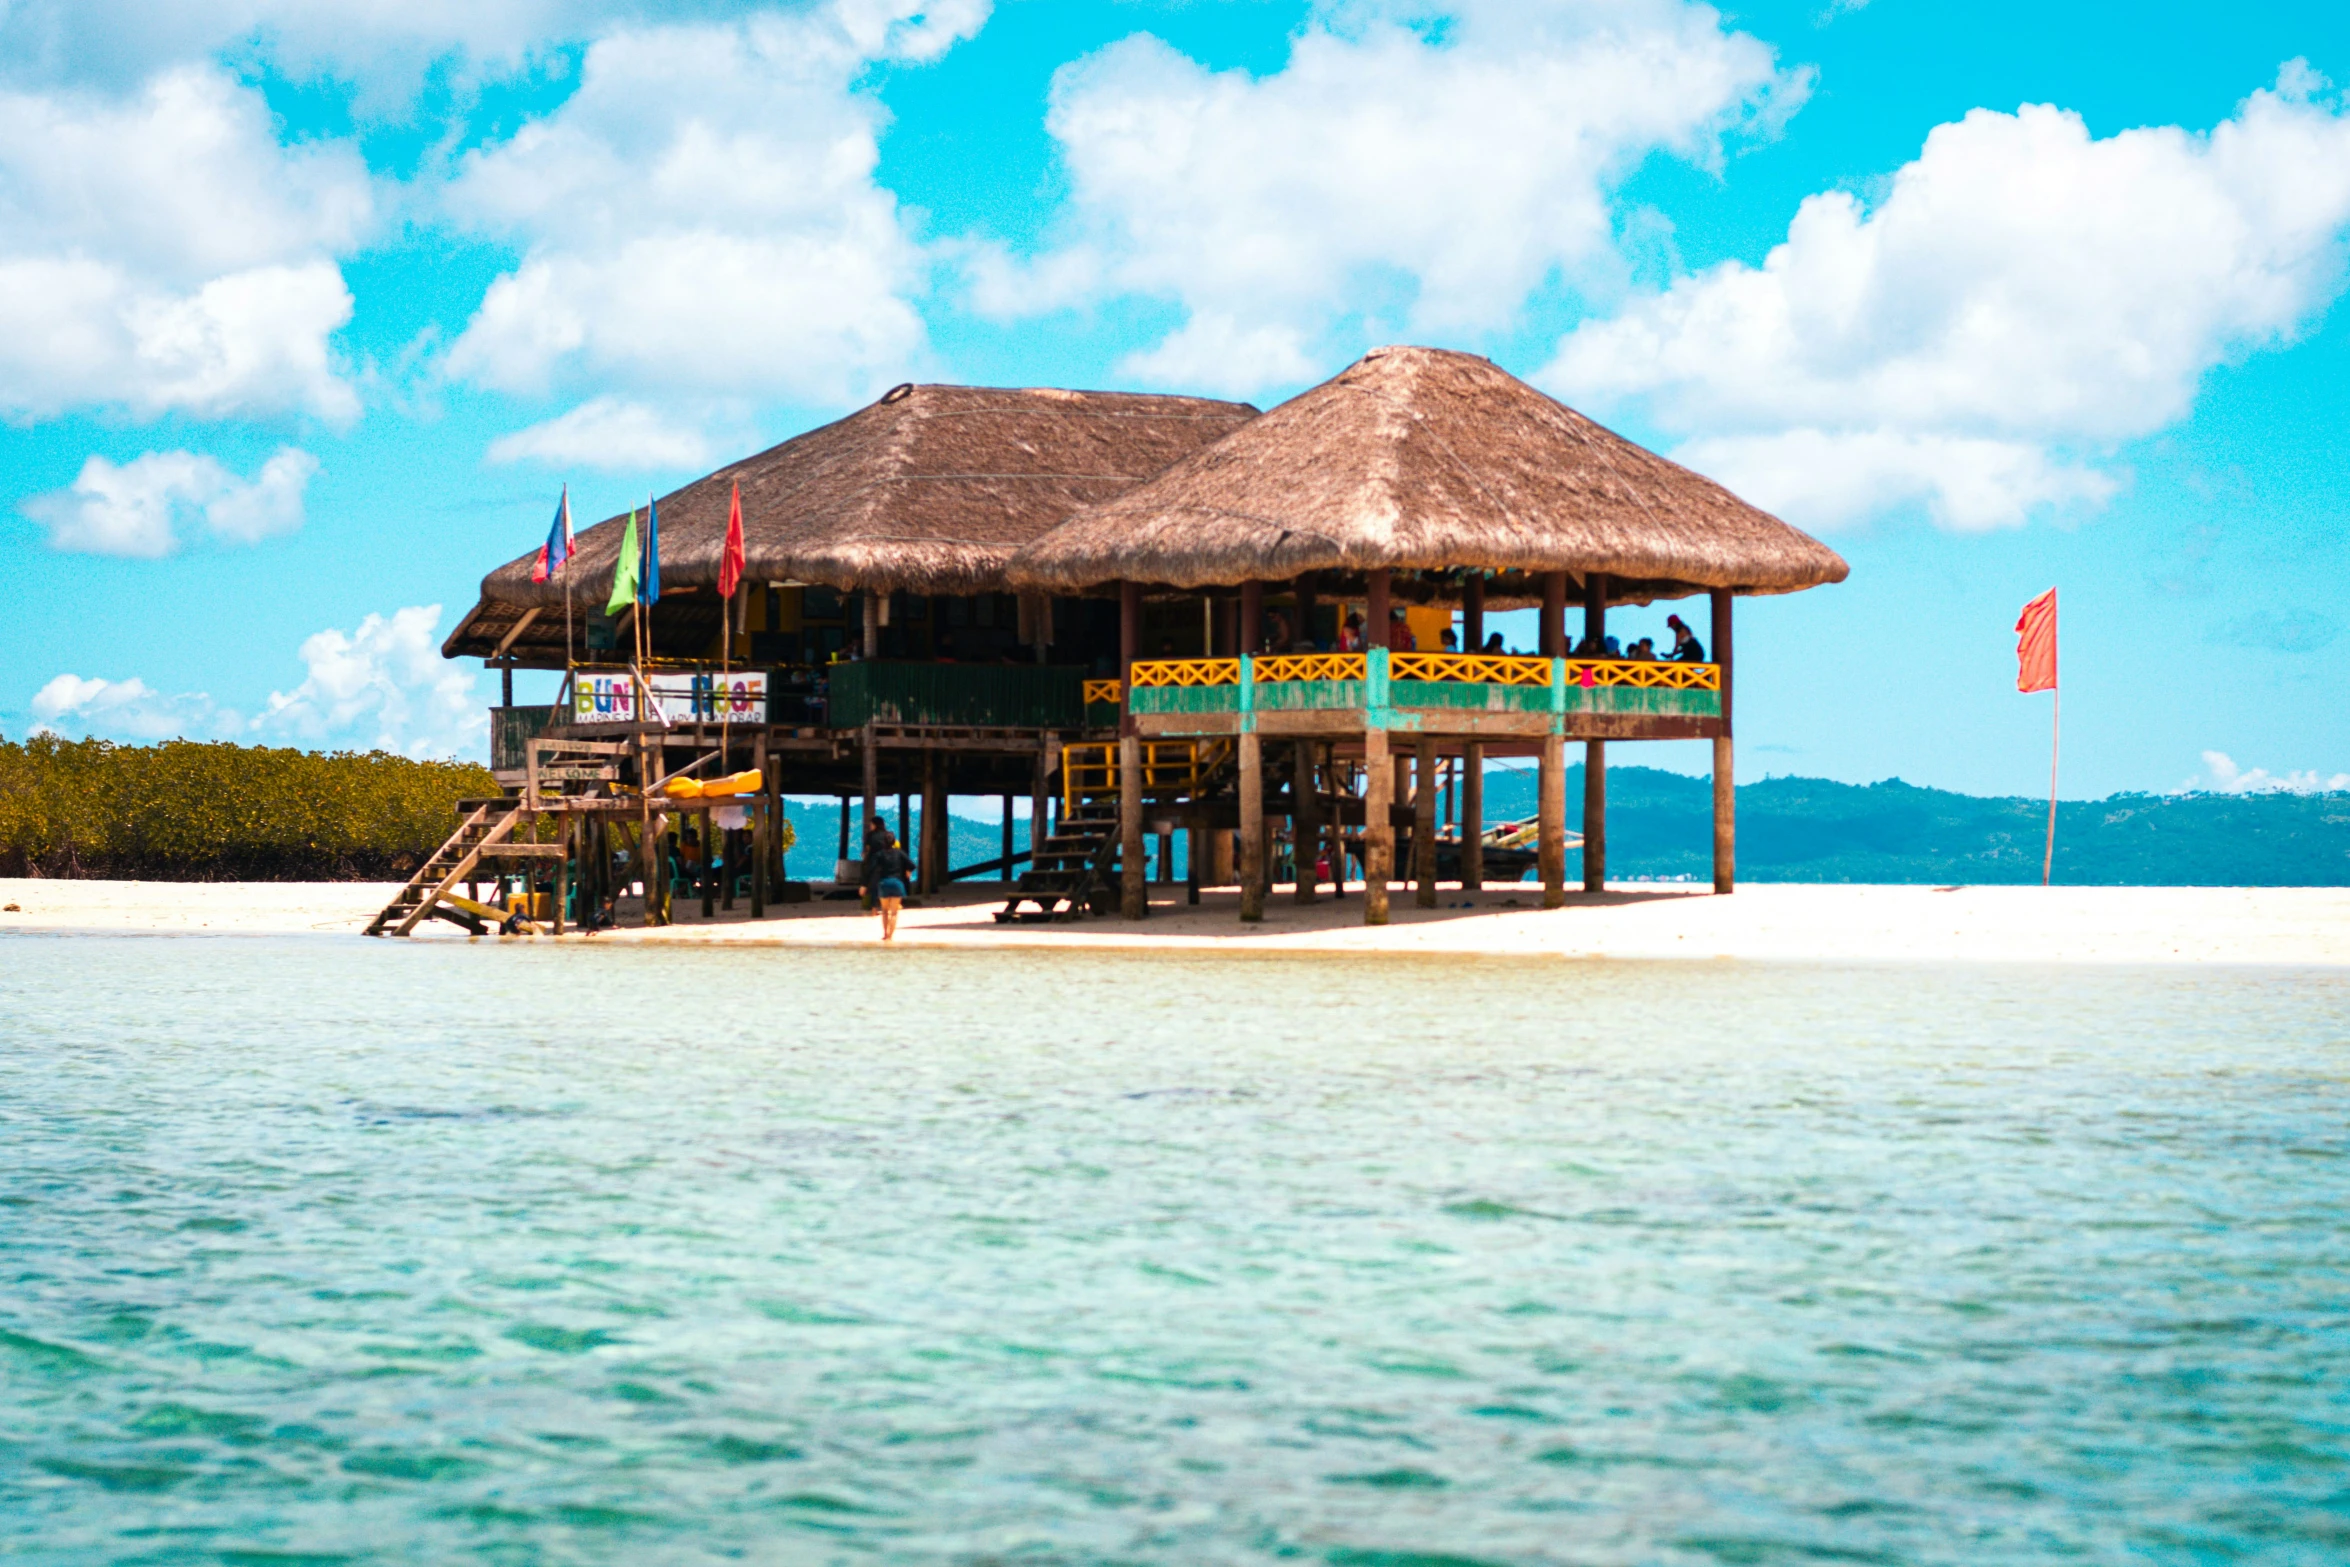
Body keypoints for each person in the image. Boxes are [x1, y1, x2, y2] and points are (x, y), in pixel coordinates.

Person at [869, 835, 914, 940]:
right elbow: (911, 865)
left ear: (883, 843)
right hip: (897, 883)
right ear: (894, 842)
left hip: (884, 883)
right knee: (894, 912)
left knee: (884, 911)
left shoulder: (879, 854)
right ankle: (890, 936)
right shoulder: (899, 853)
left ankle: (885, 934)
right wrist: (908, 871)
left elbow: (872, 868)